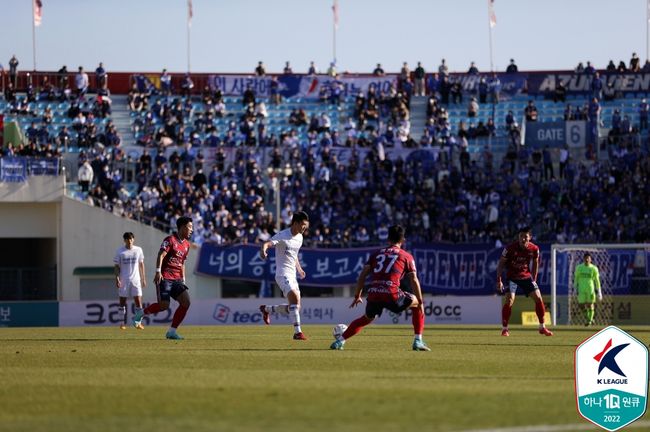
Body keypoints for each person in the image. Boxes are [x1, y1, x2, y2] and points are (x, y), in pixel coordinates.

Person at [330, 225, 431, 351]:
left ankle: (339, 341)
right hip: (392, 294)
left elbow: (362, 275)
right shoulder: (406, 256)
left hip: (374, 293)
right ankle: (418, 341)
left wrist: (357, 295)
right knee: (417, 305)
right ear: (403, 240)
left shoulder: (376, 254)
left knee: (366, 318)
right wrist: (421, 302)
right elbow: (414, 280)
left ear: (388, 239)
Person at [133, 216, 193, 339]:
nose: (192, 230)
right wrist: (158, 271)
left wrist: (183, 279)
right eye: (190, 227)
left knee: (186, 302)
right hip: (164, 277)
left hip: (177, 279)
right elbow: (161, 254)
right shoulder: (170, 240)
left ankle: (172, 331)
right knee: (164, 306)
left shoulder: (187, 245)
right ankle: (141, 313)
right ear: (182, 227)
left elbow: (182, 263)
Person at [259, 211, 309, 340]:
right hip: (282, 274)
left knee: (295, 307)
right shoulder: (282, 235)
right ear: (295, 223)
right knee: (295, 300)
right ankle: (298, 333)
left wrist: (299, 269)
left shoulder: (300, 237)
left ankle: (267, 310)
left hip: (292, 275)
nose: (304, 228)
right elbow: (267, 243)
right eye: (303, 225)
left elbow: (294, 255)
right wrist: (263, 250)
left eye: (306, 225)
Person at [496, 226, 553, 337]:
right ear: (518, 237)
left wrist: (534, 279)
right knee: (510, 300)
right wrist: (499, 279)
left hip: (526, 277)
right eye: (521, 236)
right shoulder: (510, 248)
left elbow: (536, 262)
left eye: (525, 237)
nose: (523, 239)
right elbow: (501, 263)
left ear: (530, 237)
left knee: (538, 297)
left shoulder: (534, 249)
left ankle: (542, 327)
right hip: (512, 277)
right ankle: (505, 329)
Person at [114, 232, 146, 330]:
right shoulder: (120, 251)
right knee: (122, 302)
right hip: (124, 279)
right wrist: (117, 278)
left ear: (133, 239)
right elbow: (116, 266)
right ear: (124, 240)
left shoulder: (138, 250)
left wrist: (143, 278)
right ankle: (122, 323)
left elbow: (141, 264)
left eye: (131, 239)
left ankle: (138, 323)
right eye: (127, 239)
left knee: (138, 302)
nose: (130, 241)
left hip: (136, 280)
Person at [574, 252, 602, 326]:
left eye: (588, 258)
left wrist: (599, 292)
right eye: (585, 258)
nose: (586, 259)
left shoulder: (594, 268)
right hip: (581, 289)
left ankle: (589, 321)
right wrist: (574, 288)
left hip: (590, 289)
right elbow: (576, 278)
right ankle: (590, 318)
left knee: (590, 304)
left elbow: (597, 280)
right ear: (583, 259)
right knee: (581, 305)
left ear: (590, 259)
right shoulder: (579, 268)